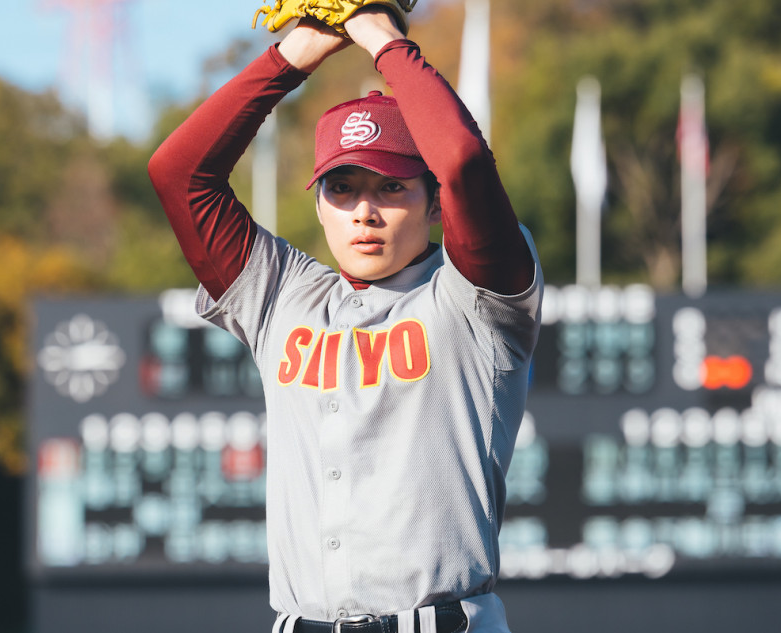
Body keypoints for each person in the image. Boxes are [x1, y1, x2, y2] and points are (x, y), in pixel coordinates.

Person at [148, 7, 543, 633]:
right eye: (342, 187)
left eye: (392, 187)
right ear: (321, 203)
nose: (364, 211)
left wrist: (378, 34)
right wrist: (298, 50)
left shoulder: (474, 299)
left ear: (434, 204)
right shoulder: (284, 294)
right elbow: (178, 173)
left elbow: (464, 161)